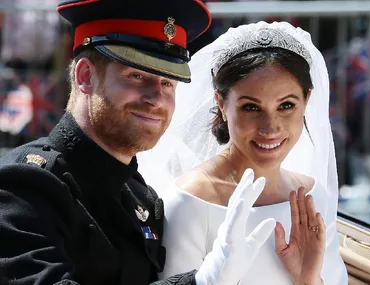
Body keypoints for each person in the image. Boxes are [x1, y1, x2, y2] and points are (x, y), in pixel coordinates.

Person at [0, 1, 277, 285]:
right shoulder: (23, 187)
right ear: (85, 76)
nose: (156, 98)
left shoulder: (141, 198)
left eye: (168, 82)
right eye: (137, 76)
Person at [137, 21, 348, 284]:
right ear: (222, 104)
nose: (270, 127)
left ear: (306, 100)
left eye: (286, 105)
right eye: (251, 108)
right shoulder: (190, 201)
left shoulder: (312, 196)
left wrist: (307, 279)